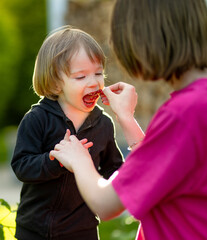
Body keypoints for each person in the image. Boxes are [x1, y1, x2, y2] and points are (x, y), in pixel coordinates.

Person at [50, 0, 207, 239]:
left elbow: (106, 203)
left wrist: (79, 159)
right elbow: (163, 167)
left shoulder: (184, 113)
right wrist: (126, 118)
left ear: (145, 41)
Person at [10, 25, 123, 240]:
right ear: (54, 84)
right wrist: (56, 160)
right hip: (35, 229)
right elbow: (21, 166)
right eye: (81, 77)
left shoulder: (103, 124)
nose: (93, 82)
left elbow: (114, 168)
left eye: (98, 73)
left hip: (83, 229)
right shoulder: (37, 119)